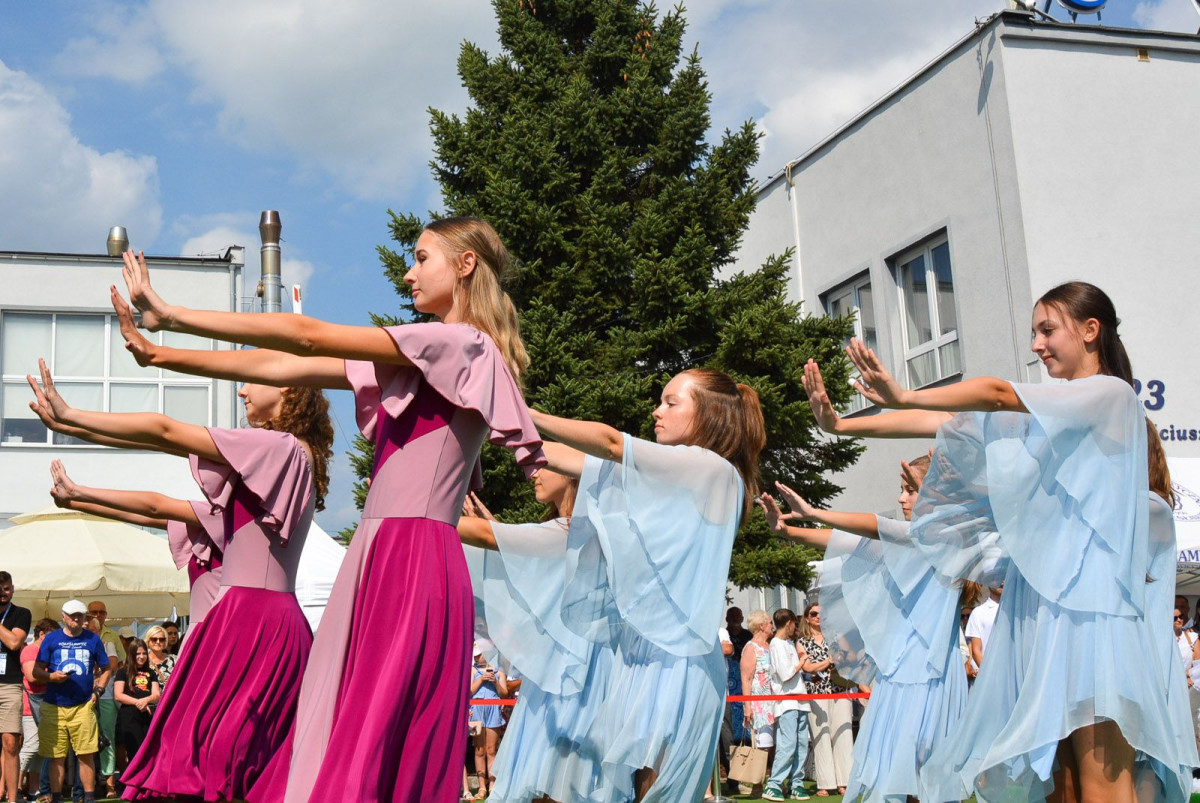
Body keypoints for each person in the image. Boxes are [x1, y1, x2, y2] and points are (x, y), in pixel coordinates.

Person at [112, 217, 546, 802]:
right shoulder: (433, 354)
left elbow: (308, 336)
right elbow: (282, 365)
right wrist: (164, 353)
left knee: (371, 725)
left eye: (422, 259)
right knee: (359, 722)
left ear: (465, 265)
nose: (409, 272)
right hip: (391, 549)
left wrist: (175, 315)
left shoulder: (457, 343)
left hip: (408, 550)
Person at [804, 280, 1196, 800]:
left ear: (1090, 330)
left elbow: (996, 393)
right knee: (1061, 785)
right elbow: (945, 421)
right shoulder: (1056, 413)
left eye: (1047, 330)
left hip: (1092, 623)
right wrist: (843, 426)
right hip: (1045, 616)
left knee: (1103, 787)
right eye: (1034, 332)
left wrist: (905, 390)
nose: (1037, 344)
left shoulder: (1112, 395)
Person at [760, 454, 972, 802]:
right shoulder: (905, 543)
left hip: (930, 675)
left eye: (911, 490)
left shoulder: (943, 539)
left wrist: (813, 512)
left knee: (925, 778)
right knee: (899, 778)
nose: (902, 499)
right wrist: (787, 530)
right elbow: (843, 540)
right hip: (900, 675)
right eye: (902, 490)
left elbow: (873, 526)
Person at [459, 472, 610, 803]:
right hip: (558, 673)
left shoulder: (574, 531)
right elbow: (527, 571)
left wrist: (416, 509)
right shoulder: (578, 531)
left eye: (547, 465)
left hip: (570, 676)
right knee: (549, 781)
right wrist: (497, 528)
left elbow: (492, 540)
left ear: (572, 476)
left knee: (556, 778)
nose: (534, 472)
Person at [33, 599, 112, 803]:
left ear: (85, 617)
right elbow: (36, 671)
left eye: (80, 615)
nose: (76, 618)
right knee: (55, 755)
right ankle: (57, 797)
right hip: (53, 705)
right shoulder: (51, 639)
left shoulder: (93, 640)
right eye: (72, 615)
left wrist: (99, 691)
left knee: (86, 754)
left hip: (83, 704)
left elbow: (107, 669)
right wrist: (52, 677)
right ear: (63, 616)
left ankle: (88, 798)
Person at [794, 603, 850, 797]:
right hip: (817, 692)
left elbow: (850, 656)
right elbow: (807, 668)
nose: (818, 616)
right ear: (807, 618)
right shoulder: (802, 642)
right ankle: (825, 783)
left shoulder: (836, 636)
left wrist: (841, 661)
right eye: (814, 613)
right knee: (821, 737)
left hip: (839, 688)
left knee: (843, 734)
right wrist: (829, 662)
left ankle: (845, 781)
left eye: (821, 613)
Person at [762, 608, 810, 802]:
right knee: (787, 743)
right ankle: (774, 784)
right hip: (787, 700)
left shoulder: (789, 643)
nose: (795, 628)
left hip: (800, 699)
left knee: (801, 743)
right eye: (794, 624)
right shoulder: (775, 644)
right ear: (788, 622)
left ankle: (796, 783)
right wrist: (801, 662)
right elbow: (785, 674)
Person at [86, 601, 124, 798]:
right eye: (88, 629)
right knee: (86, 739)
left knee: (107, 738)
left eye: (93, 630)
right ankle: (89, 783)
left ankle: (110, 784)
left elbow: (114, 665)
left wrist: (93, 671)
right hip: (83, 697)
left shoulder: (109, 641)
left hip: (106, 695)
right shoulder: (79, 642)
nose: (91, 632)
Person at [0, 572, 32, 803]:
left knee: (11, 743)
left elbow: (13, 642)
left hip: (8, 684)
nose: (3, 593)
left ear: (13, 589)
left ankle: (13, 799)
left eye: (7, 588)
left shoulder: (21, 613)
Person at [20, 618, 56, 802]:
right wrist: (54, 677)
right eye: (52, 635)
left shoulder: (47, 651)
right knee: (31, 746)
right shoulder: (30, 650)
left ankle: (34, 790)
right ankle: (15, 785)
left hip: (46, 704)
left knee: (41, 749)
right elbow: (31, 677)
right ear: (41, 634)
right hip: (30, 706)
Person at [112, 639, 159, 775]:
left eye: (144, 653)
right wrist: (138, 703)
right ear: (131, 655)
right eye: (138, 653)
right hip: (129, 716)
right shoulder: (123, 672)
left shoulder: (151, 672)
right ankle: (133, 783)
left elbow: (157, 695)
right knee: (134, 751)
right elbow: (118, 695)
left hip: (148, 715)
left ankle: (146, 781)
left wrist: (146, 700)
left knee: (149, 751)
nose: (142, 656)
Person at [468, 644, 508, 799]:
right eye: (475, 655)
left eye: (479, 654)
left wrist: (495, 682)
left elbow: (505, 694)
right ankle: (481, 787)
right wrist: (481, 680)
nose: (476, 657)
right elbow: (468, 691)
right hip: (475, 712)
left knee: (491, 750)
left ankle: (492, 785)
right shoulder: (472, 669)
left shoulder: (500, 669)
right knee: (479, 750)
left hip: (493, 710)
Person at [964, 585, 1002, 669]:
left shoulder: (1016, 611)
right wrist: (987, 676)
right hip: (989, 673)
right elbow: (975, 650)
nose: (1001, 581)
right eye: (996, 577)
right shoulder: (978, 612)